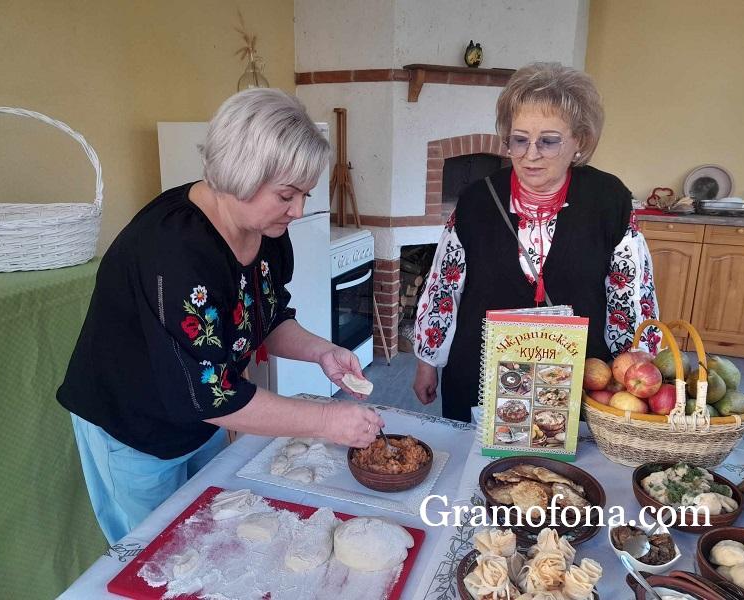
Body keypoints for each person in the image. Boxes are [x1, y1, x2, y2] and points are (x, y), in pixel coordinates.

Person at [57, 89, 384, 544]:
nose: (299, 210)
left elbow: (266, 316)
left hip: (201, 418)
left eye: (304, 194)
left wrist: (323, 353)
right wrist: (327, 422)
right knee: (156, 554)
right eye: (286, 195)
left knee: (212, 531)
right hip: (133, 430)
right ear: (240, 174)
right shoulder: (174, 250)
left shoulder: (266, 228)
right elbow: (214, 396)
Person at [412, 62, 659, 422]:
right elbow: (443, 287)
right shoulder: (477, 200)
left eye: (548, 140)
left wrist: (633, 373)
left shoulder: (608, 200)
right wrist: (427, 361)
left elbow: (632, 295)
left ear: (580, 141)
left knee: (561, 474)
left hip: (576, 377)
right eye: (519, 139)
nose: (530, 154)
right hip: (480, 373)